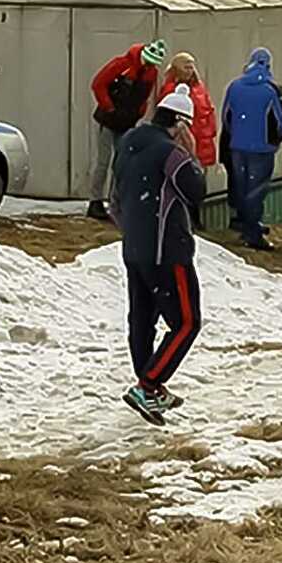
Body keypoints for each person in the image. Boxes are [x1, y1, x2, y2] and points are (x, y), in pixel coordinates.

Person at [112, 82, 204, 425]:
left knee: (142, 319)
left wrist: (132, 229)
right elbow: (195, 190)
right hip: (167, 248)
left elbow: (115, 197)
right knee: (186, 321)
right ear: (180, 124)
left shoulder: (127, 142)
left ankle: (147, 386)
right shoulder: (171, 152)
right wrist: (191, 154)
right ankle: (149, 383)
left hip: (133, 245)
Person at [88, 39, 166, 220]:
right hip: (107, 120)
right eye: (149, 61)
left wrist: (138, 114)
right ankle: (95, 200)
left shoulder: (151, 73)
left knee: (121, 164)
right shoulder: (122, 65)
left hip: (126, 122)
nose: (151, 65)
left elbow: (144, 97)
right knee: (103, 162)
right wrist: (109, 108)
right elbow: (98, 84)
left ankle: (116, 200)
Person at [221, 47, 282, 251]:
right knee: (257, 190)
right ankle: (253, 233)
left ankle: (246, 225)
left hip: (238, 146)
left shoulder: (234, 86)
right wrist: (276, 140)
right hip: (262, 148)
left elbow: (226, 117)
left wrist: (237, 134)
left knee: (242, 187)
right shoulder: (271, 89)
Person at [156, 52, 217, 168]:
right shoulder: (170, 90)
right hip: (182, 141)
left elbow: (210, 111)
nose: (189, 71)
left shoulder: (199, 88)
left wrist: (210, 133)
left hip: (202, 140)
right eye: (186, 67)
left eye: (191, 67)